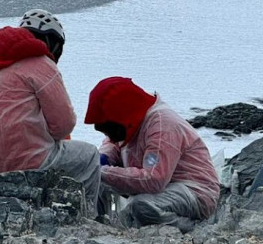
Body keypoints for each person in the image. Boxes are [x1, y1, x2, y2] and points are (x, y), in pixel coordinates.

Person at [0, 9, 101, 215]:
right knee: (90, 156)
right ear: (53, 43)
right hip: (26, 162)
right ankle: (88, 216)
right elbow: (64, 124)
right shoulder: (41, 63)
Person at [84, 76, 220, 231]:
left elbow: (154, 179)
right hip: (165, 187)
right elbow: (113, 142)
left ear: (123, 118)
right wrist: (104, 157)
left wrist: (103, 171)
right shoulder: (128, 121)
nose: (110, 136)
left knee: (142, 205)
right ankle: (108, 225)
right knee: (100, 184)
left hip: (194, 190)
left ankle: (194, 229)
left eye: (109, 130)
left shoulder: (163, 126)